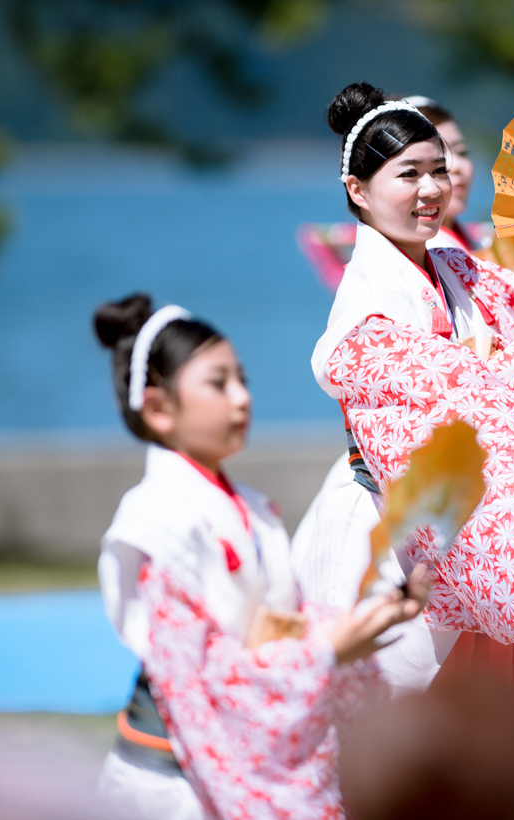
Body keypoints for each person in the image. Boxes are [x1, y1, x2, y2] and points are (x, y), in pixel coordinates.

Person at [291, 82, 514, 741]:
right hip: (383, 531)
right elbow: (475, 388)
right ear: (358, 191)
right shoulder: (362, 315)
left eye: (439, 171)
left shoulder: (453, 264)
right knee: (390, 731)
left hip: (457, 531)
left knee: (466, 736)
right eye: (409, 174)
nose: (431, 189)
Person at [92, 293, 431, 820]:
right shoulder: (157, 528)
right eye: (218, 383)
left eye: (242, 380)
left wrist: (363, 620)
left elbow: (280, 626)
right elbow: (204, 680)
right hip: (173, 784)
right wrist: (326, 650)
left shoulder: (249, 508)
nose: (242, 398)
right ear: (158, 408)